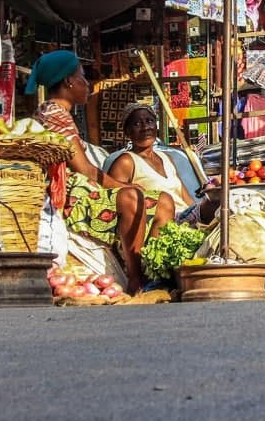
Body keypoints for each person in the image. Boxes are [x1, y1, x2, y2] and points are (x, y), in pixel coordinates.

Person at [28, 50, 175, 287]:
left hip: (78, 190)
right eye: (82, 77)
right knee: (131, 196)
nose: (87, 85)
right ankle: (135, 279)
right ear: (68, 81)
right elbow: (84, 169)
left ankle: (154, 274)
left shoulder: (57, 113)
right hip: (66, 196)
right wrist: (124, 186)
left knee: (164, 201)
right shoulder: (54, 114)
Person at [109, 103, 197, 217]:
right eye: (137, 123)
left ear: (156, 126)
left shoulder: (166, 158)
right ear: (127, 131)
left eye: (149, 121)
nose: (145, 127)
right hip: (162, 224)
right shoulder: (126, 162)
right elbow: (113, 202)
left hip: (186, 219)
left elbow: (187, 200)